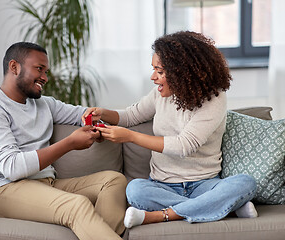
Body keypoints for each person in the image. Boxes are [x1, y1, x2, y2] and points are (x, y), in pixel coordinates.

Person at [82, 31, 258, 228]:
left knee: (246, 183)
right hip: (161, 185)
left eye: (160, 71)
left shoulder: (214, 99)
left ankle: (161, 215)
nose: (153, 77)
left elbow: (184, 145)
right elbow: (131, 116)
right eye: (154, 69)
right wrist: (102, 113)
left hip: (205, 185)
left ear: (181, 72)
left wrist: (130, 137)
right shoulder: (160, 94)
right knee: (135, 190)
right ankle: (225, 209)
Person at [0, 42, 127, 240]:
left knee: (114, 181)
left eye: (46, 71)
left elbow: (84, 114)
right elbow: (11, 167)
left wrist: (99, 128)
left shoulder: (44, 104)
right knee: (76, 205)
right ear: (14, 67)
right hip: (2, 189)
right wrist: (69, 143)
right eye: (39, 69)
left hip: (46, 184)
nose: (45, 77)